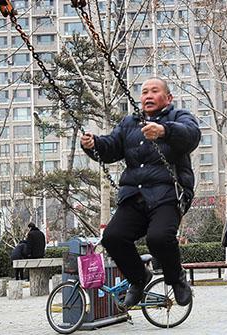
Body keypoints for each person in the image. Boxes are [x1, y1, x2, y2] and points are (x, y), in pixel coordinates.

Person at [80, 77, 200, 308]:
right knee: (113, 238)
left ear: (168, 98)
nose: (148, 96)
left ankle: (177, 280)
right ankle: (138, 278)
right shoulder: (129, 123)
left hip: (168, 193)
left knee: (158, 238)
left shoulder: (178, 117)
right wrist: (93, 144)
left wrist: (164, 131)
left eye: (154, 91)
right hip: (135, 195)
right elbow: (112, 146)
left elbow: (191, 135)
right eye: (144, 92)